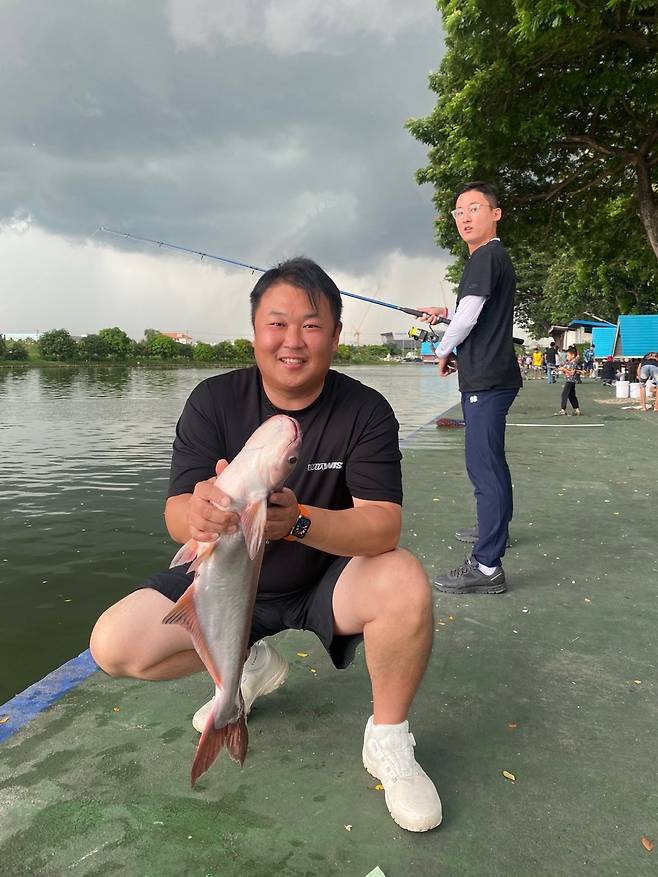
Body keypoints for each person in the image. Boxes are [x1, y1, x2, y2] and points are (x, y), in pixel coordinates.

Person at [89, 257, 442, 833]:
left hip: (324, 582)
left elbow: (383, 526)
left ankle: (388, 740)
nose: (292, 341)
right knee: (114, 644)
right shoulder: (214, 400)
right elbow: (176, 512)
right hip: (224, 581)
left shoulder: (365, 410)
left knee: (403, 578)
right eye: (277, 323)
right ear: (255, 330)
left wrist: (298, 522)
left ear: (335, 331)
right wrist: (199, 513)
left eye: (311, 324)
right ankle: (245, 663)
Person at [416, 181, 522, 595]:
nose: (464, 217)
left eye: (474, 208)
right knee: (491, 463)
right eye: (458, 212)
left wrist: (442, 348)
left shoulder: (483, 258)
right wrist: (445, 312)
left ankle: (487, 565)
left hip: (487, 381)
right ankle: (494, 528)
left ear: (495, 214)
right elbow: (471, 312)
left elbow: (468, 318)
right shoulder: (493, 260)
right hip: (494, 376)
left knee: (484, 468)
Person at [556, 346, 582, 415]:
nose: (567, 357)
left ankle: (563, 410)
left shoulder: (573, 363)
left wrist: (564, 369)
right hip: (571, 381)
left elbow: (571, 373)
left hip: (570, 381)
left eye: (568, 355)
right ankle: (576, 410)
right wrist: (560, 369)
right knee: (571, 396)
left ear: (573, 355)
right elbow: (567, 370)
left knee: (564, 395)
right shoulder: (570, 363)